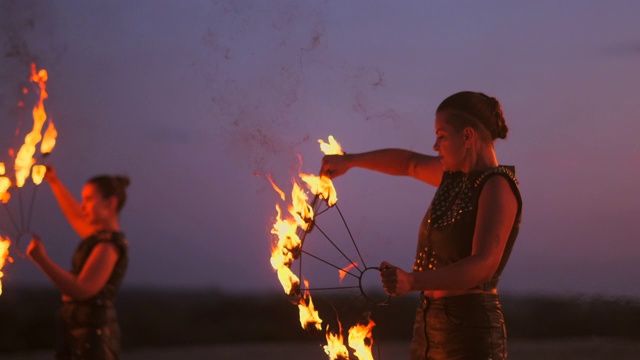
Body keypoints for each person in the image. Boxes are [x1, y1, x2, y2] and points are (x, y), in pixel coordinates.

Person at [320, 91, 522, 359]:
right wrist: (350, 160)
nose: (435, 146)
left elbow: (483, 265)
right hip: (429, 322)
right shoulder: (454, 177)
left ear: (468, 136)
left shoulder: (497, 185)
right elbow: (409, 164)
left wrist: (412, 280)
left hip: (470, 328)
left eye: (441, 136)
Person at [27, 166, 130, 360]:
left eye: (89, 199)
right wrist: (54, 182)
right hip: (82, 337)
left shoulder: (108, 247)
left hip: (94, 343)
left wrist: (41, 259)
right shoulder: (100, 238)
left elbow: (82, 289)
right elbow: (76, 216)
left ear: (110, 203)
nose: (82, 206)